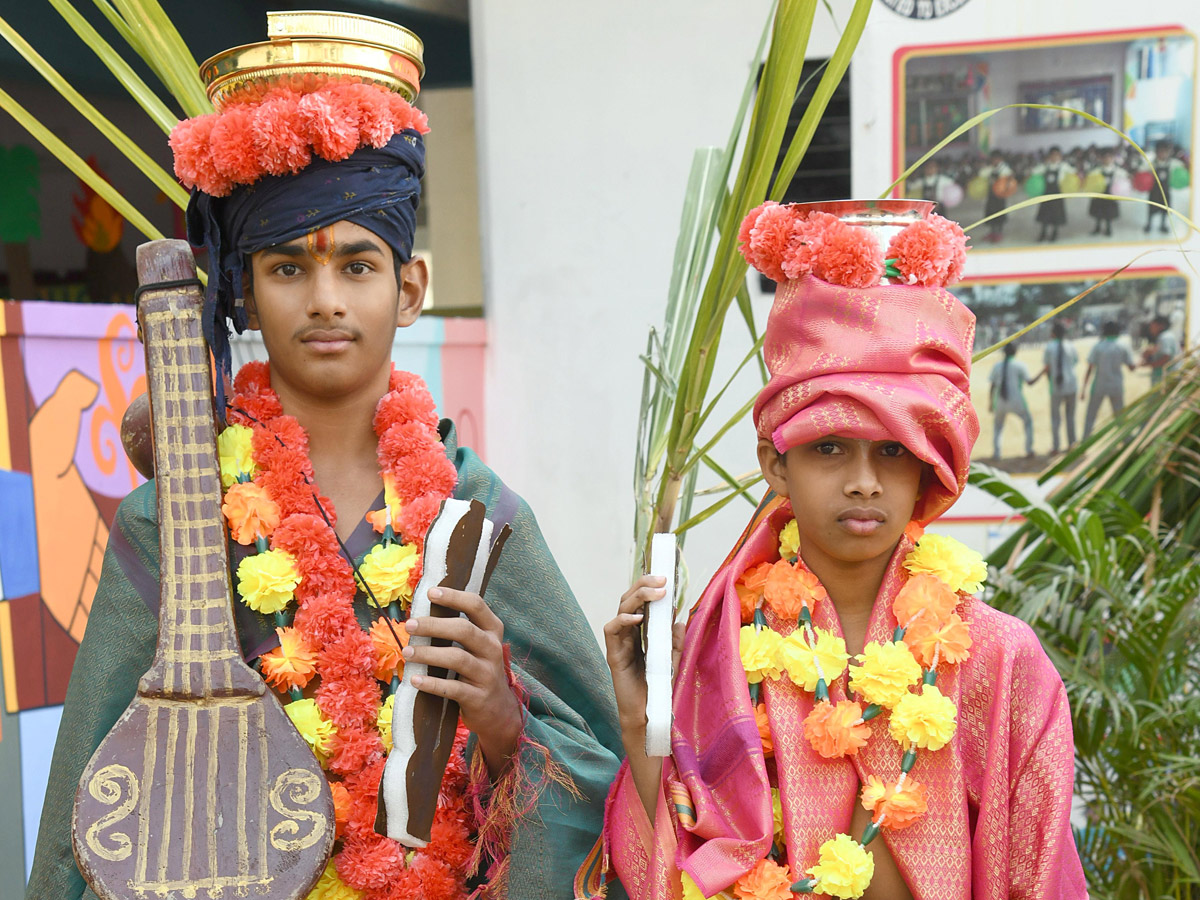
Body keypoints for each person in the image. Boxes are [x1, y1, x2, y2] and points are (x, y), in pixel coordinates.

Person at [26, 16, 623, 900]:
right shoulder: (177, 518)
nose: (325, 300)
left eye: (356, 265)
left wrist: (504, 722)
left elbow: (600, 772)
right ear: (242, 289)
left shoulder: (480, 517)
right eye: (287, 268)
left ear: (409, 287)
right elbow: (92, 804)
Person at [586, 203, 1086, 900]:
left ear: (929, 466)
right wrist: (646, 721)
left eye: (892, 451)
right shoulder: (719, 652)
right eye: (828, 448)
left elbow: (1042, 878)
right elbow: (672, 870)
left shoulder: (1001, 661)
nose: (862, 481)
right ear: (775, 461)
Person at [1081, 320, 1137, 439]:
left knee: (1091, 415)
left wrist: (1084, 388)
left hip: (1099, 386)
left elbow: (1090, 369)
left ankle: (1085, 441)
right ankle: (1126, 439)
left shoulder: (1098, 346)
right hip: (1116, 385)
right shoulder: (1123, 346)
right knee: (1120, 415)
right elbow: (1132, 367)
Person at [988, 342, 1038, 459]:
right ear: (1016, 352)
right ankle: (1029, 449)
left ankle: (997, 452)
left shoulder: (997, 366)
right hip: (1016, 400)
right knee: (1028, 421)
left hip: (1000, 400)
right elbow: (1029, 382)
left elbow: (993, 386)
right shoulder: (1019, 365)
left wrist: (990, 403)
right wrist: (1043, 372)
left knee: (998, 426)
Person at [1039, 321, 1080, 453]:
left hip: (1056, 386)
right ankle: (1072, 443)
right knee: (1070, 416)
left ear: (1053, 333)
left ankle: (1056, 446)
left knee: (1056, 418)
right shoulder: (1071, 346)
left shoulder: (1049, 347)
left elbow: (1047, 366)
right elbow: (1075, 362)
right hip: (1071, 385)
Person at [1142, 140, 1185, 234]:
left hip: (1165, 192)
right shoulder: (1152, 163)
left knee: (1165, 209)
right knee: (1151, 209)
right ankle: (1149, 224)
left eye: (1165, 151)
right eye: (1160, 151)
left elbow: (1181, 167)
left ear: (1168, 152)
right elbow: (1143, 170)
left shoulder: (1172, 163)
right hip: (1154, 191)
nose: (1162, 154)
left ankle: (1163, 225)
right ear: (1156, 152)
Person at [1034, 146, 1071, 243]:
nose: (1054, 157)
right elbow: (1034, 172)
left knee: (1056, 214)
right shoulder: (1045, 166)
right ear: (1049, 156)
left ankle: (1055, 232)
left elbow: (1073, 173)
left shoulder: (1063, 166)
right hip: (1046, 195)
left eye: (1057, 155)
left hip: (1057, 194)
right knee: (1045, 215)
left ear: (1060, 156)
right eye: (1052, 155)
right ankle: (1043, 232)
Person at [1086, 147, 1122, 237]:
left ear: (1113, 158)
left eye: (1110, 157)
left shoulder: (1117, 170)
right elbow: (1090, 179)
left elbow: (1124, 178)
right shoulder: (1097, 170)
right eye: (1105, 157)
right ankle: (1097, 227)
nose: (1107, 159)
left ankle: (1108, 227)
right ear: (1101, 158)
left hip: (1111, 195)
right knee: (1098, 212)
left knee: (1109, 213)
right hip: (1099, 195)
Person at [981, 150, 1014, 243]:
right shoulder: (990, 169)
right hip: (991, 195)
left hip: (1000, 196)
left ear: (1001, 159)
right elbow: (982, 174)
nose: (995, 161)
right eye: (993, 159)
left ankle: (999, 232)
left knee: (999, 213)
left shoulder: (1005, 169)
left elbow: (1010, 179)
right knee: (991, 213)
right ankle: (992, 232)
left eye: (997, 159)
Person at [1142, 314, 1181, 385]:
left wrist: (1150, 364)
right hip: (1164, 376)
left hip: (1166, 377)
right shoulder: (1165, 336)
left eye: (1152, 326)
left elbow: (1166, 357)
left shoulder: (1165, 337)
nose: (1150, 329)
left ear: (1160, 326)